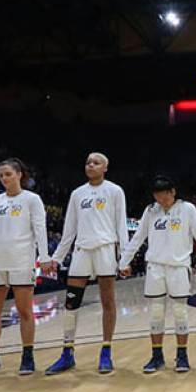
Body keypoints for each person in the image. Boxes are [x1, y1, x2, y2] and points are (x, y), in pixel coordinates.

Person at [118, 175, 196, 373]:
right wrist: (124, 261)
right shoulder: (150, 211)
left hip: (179, 267)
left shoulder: (187, 209)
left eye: (164, 196)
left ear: (173, 192)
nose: (161, 200)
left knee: (180, 313)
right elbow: (138, 238)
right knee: (156, 313)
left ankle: (182, 355)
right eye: (157, 197)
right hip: (155, 267)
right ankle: (157, 356)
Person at [0, 159, 52, 376]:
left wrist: (44, 257)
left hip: (21, 260)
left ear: (19, 174)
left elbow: (40, 229)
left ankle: (27, 356)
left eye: (8, 174)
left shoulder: (32, 200)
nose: (4, 178)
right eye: (1, 175)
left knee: (25, 311)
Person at [46, 153, 128, 375]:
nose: (91, 165)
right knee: (71, 302)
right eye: (88, 162)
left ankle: (106, 352)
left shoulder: (114, 191)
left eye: (96, 162)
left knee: (108, 301)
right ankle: (67, 352)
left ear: (105, 167)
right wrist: (57, 258)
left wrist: (125, 258)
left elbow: (121, 226)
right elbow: (69, 229)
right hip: (82, 251)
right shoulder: (77, 194)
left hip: (105, 249)